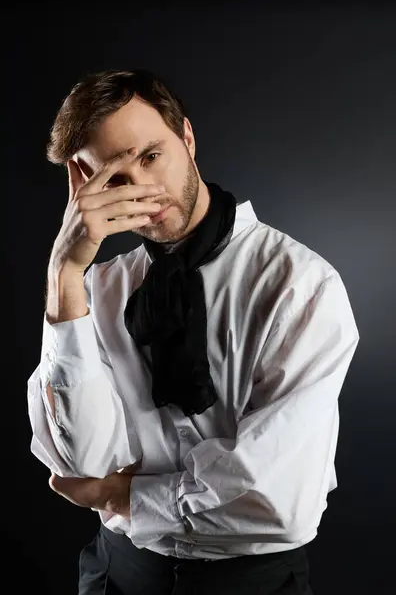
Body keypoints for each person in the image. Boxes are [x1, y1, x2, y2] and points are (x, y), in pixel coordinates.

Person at [27, 68, 360, 595]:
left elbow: (275, 504)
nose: (139, 187)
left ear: (187, 136)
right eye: (111, 177)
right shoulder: (95, 291)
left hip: (254, 584)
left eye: (150, 156)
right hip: (119, 574)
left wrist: (122, 499)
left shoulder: (300, 284)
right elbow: (81, 462)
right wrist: (64, 276)